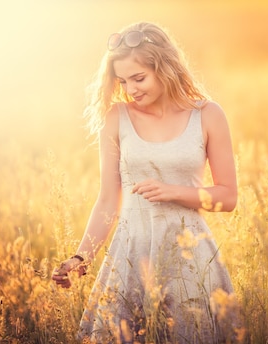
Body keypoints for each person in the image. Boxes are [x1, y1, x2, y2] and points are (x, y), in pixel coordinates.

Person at [52, 22, 239, 343]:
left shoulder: (208, 115)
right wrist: (81, 257)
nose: (131, 89)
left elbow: (228, 197)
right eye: (122, 81)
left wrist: (175, 192)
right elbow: (108, 200)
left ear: (165, 67)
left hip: (190, 256)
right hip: (130, 254)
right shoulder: (116, 118)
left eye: (139, 78)